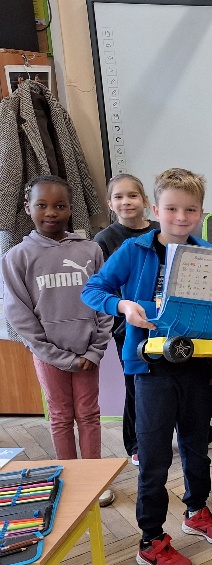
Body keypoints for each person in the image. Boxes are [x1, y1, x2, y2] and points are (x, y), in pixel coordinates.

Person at [83, 168, 212, 565]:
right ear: (156, 209)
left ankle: (196, 511)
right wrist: (123, 306)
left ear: (201, 212)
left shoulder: (209, 254)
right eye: (171, 209)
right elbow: (93, 289)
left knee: (196, 446)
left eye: (190, 209)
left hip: (197, 364)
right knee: (153, 457)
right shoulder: (133, 250)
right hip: (151, 368)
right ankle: (150, 540)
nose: (181, 217)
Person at [3, 175, 115, 505]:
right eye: (42, 205)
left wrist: (95, 351)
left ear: (70, 209)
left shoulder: (90, 250)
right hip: (48, 356)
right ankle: (71, 478)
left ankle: (94, 480)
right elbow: (19, 314)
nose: (51, 212)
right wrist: (56, 356)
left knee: (89, 414)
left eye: (59, 205)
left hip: (88, 354)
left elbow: (104, 299)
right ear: (28, 209)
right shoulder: (17, 257)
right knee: (61, 416)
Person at [93, 173, 160, 467]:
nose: (126, 202)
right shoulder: (104, 240)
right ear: (110, 203)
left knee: (179, 380)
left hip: (166, 321)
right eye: (118, 197)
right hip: (128, 327)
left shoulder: (161, 230)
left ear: (144, 200)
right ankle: (135, 442)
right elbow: (102, 286)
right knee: (136, 383)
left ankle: (202, 432)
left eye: (133, 195)